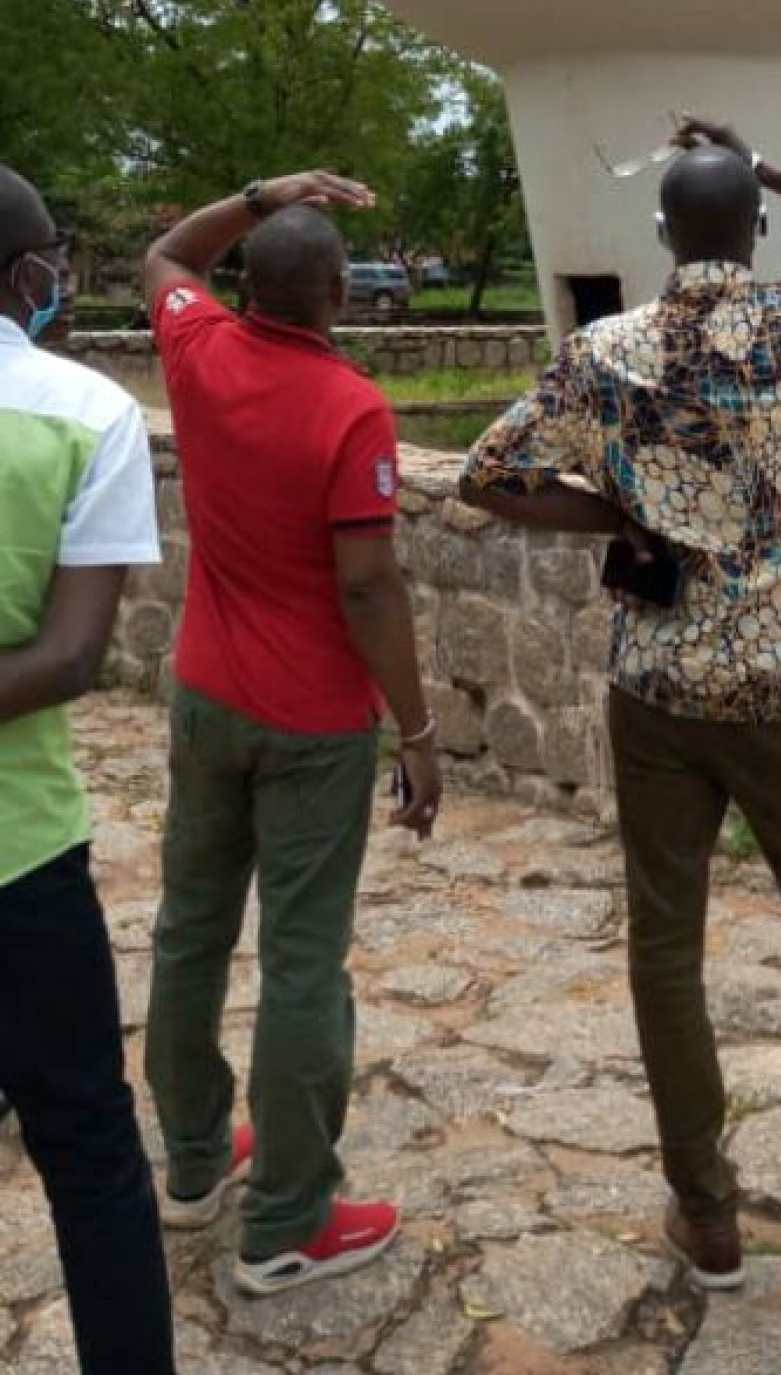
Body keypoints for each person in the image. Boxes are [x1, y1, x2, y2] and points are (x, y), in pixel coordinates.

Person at [461, 116, 781, 1287]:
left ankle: (707, 1212)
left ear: (661, 232)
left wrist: (619, 514)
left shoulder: (605, 353)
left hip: (659, 690)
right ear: (757, 225)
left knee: (666, 942)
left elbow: (490, 476)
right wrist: (766, 161)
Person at [142, 172, 442, 1297]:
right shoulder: (351, 407)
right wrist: (417, 729)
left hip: (205, 698)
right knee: (303, 961)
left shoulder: (199, 350)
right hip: (313, 724)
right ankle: (287, 1221)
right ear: (337, 294)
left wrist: (260, 195)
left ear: (250, 284)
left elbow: (168, 258)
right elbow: (367, 584)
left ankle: (191, 1163)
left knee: (189, 931)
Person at [0, 165, 175, 1375]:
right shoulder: (85, 413)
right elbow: (70, 656)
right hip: (21, 855)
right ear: (28, 273)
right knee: (89, 1146)